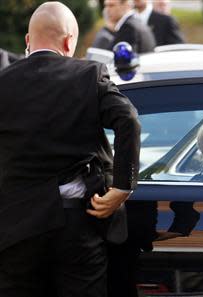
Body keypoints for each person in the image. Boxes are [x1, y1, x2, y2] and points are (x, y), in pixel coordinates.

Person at [0, 2, 141, 297]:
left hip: (14, 230)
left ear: (28, 41)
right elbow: (128, 119)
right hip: (77, 228)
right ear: (68, 41)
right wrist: (122, 186)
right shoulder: (89, 75)